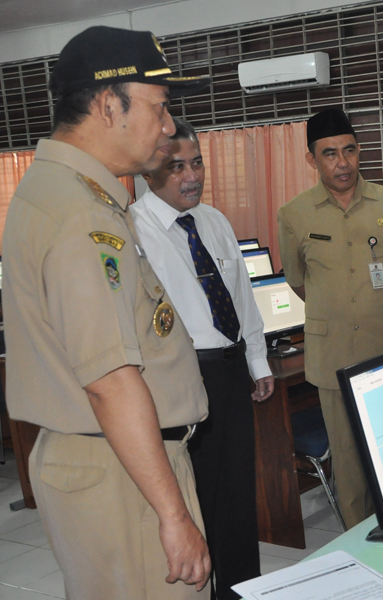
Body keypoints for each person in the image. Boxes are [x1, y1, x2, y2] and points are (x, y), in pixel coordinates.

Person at [1, 26, 213, 598]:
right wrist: (173, 514)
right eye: (159, 108)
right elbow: (110, 382)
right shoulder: (81, 216)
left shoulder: (62, 193)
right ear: (106, 104)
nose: (168, 127)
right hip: (123, 473)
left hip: (108, 460)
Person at [133, 117, 274, 599]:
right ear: (148, 173)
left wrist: (257, 362)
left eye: (196, 163)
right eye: (176, 167)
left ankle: (241, 589)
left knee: (236, 494)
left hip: (230, 370)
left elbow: (242, 297)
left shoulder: (214, 221)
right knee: (196, 498)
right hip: (179, 378)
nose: (191, 176)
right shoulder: (135, 231)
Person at [277, 107, 383, 528]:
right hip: (333, 352)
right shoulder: (295, 214)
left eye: (349, 151)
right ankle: (361, 543)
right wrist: (339, 307)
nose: (342, 163)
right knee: (347, 460)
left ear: (359, 151)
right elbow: (297, 280)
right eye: (329, 154)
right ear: (312, 159)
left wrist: (372, 307)